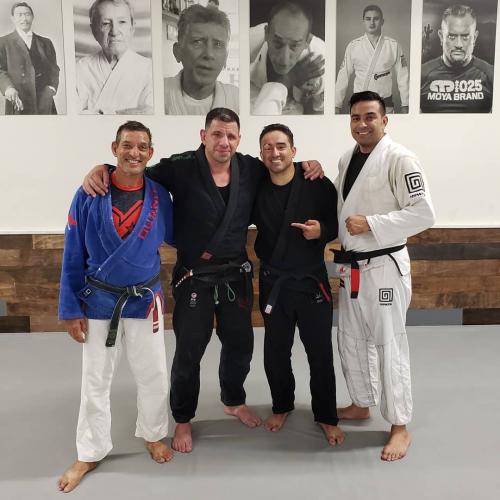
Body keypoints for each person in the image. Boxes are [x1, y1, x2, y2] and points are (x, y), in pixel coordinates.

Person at [82, 107, 323, 454]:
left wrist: (308, 165)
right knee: (189, 350)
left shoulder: (250, 167)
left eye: (231, 136)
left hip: (236, 275)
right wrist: (103, 168)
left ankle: (233, 400)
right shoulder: (181, 166)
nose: (224, 141)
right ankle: (182, 418)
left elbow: (281, 167)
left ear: (238, 140)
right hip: (195, 276)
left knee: (241, 345)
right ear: (203, 136)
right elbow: (135, 170)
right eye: (217, 134)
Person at [57, 121, 174, 493]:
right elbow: (72, 253)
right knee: (95, 379)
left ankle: (153, 434)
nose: (134, 153)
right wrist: (70, 308)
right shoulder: (89, 193)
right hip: (99, 299)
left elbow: (179, 235)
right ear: (114, 148)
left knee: (154, 374)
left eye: (141, 147)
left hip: (144, 298)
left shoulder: (160, 196)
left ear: (150, 153)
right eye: (127, 145)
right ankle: (90, 451)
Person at [334, 91, 435, 461]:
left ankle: (399, 425)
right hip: (351, 267)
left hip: (383, 267)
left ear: (384, 120)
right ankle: (361, 403)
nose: (362, 124)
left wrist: (372, 224)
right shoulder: (347, 158)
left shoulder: (400, 158)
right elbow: (341, 208)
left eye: (370, 117)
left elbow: (424, 213)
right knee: (351, 337)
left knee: (388, 343)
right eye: (356, 117)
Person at [253, 124, 344, 446]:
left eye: (281, 146)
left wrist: (322, 232)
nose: (274, 153)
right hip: (274, 281)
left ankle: (326, 416)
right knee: (275, 351)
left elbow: (337, 222)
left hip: (311, 282)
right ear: (260, 153)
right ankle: (282, 406)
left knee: (320, 353)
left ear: (294, 150)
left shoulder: (317, 183)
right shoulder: (255, 185)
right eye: (267, 147)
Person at [76, 0, 153, 115]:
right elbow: (74, 114)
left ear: (132, 28)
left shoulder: (149, 68)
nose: (115, 32)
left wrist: (99, 114)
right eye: (106, 23)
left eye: (122, 22)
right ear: (94, 31)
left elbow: (150, 112)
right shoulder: (81, 68)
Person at [250, 1, 325, 115]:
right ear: (266, 33)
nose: (284, 59)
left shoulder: (322, 58)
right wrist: (288, 80)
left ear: (307, 41)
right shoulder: (244, 43)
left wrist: (310, 95)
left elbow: (321, 113)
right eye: (278, 43)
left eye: (294, 45)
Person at [164, 4, 239, 115]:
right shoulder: (158, 92)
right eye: (197, 42)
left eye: (218, 44)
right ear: (178, 51)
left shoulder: (237, 99)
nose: (209, 54)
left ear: (226, 57)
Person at [335, 5, 409, 114]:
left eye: (376, 19)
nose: (372, 22)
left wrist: (406, 104)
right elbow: (343, 77)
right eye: (368, 19)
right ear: (363, 21)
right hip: (360, 106)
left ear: (382, 21)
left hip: (385, 106)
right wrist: (336, 105)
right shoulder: (353, 46)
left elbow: (403, 77)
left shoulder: (393, 46)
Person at [420, 4, 493, 113]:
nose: (459, 44)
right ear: (441, 37)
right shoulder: (422, 74)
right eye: (452, 36)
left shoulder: (491, 74)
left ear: (474, 38)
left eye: (465, 37)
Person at [0, 2, 59, 115]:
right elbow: (0, 70)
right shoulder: (3, 42)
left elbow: (54, 69)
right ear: (13, 18)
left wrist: (51, 88)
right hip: (18, 99)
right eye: (20, 15)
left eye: (27, 14)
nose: (24, 19)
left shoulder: (46, 42)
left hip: (44, 100)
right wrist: (8, 88)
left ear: (32, 17)